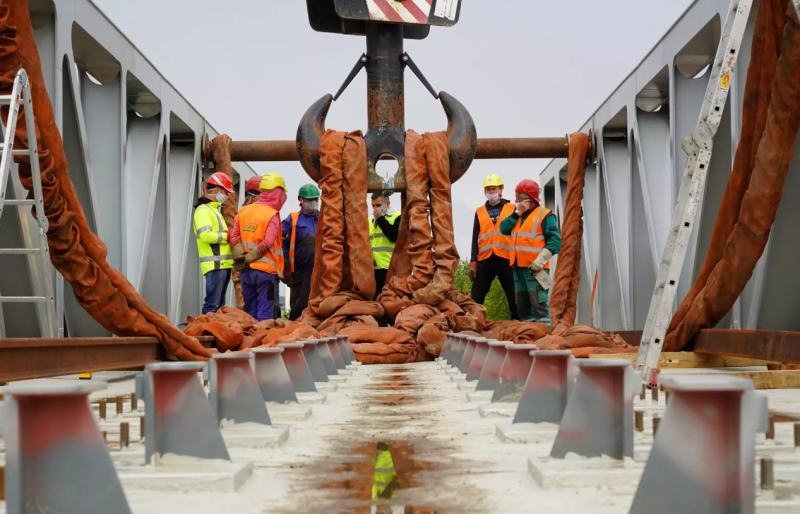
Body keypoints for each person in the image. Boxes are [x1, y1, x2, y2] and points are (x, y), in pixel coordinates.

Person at [499, 179, 561, 326]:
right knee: (523, 307)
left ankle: (546, 338)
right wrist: (516, 214)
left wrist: (539, 261)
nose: (515, 200)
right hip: (518, 268)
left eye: (518, 197)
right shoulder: (518, 216)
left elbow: (555, 242)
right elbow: (503, 228)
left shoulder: (546, 215)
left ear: (527, 199)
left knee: (539, 305)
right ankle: (530, 335)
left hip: (535, 269)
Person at [229, 173, 287, 321]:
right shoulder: (272, 214)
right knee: (265, 315)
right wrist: (250, 257)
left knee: (250, 313)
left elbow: (234, 237)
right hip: (265, 274)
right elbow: (267, 242)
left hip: (245, 273)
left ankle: (249, 343)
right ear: (277, 193)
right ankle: (261, 343)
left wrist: (242, 259)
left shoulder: (244, 211)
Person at [469, 174, 519, 320]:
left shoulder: (512, 208)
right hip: (485, 260)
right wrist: (473, 262)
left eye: (494, 189)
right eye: (488, 189)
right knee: (476, 297)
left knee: (514, 297)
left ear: (501, 189)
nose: (491, 192)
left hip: (506, 260)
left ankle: (518, 325)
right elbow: (475, 238)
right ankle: (471, 323)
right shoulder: (479, 211)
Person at [193, 172, 235, 314]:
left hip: (222, 264)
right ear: (217, 189)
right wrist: (227, 236)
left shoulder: (214, 210)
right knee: (212, 305)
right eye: (225, 191)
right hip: (215, 265)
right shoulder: (204, 211)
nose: (227, 195)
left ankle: (211, 333)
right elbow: (205, 236)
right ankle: (204, 332)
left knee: (218, 307)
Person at [282, 184, 320, 321]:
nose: (313, 202)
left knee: (319, 306)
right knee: (299, 306)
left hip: (321, 272)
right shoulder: (292, 219)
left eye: (315, 199)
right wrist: (285, 265)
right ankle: (294, 333)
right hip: (300, 273)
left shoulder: (324, 218)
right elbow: (282, 242)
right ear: (301, 200)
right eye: (310, 200)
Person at [368, 192, 401, 296]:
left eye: (378, 205)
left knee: (388, 300)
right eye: (373, 205)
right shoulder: (369, 221)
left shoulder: (397, 216)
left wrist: (381, 219)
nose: (375, 208)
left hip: (389, 267)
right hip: (372, 268)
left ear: (387, 203)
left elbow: (394, 236)